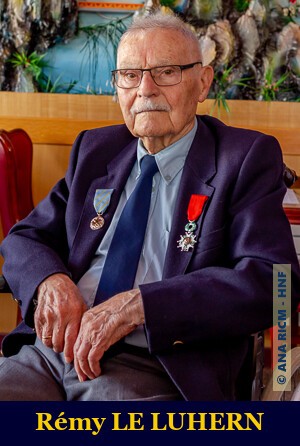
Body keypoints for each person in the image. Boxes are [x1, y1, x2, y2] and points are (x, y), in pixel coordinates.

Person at [0, 11, 299, 401]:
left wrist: (143, 305)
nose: (145, 89)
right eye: (129, 75)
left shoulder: (243, 160)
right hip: (49, 354)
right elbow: (26, 237)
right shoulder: (95, 150)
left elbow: (275, 282)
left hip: (153, 366)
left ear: (203, 83)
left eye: (166, 72)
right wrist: (50, 282)